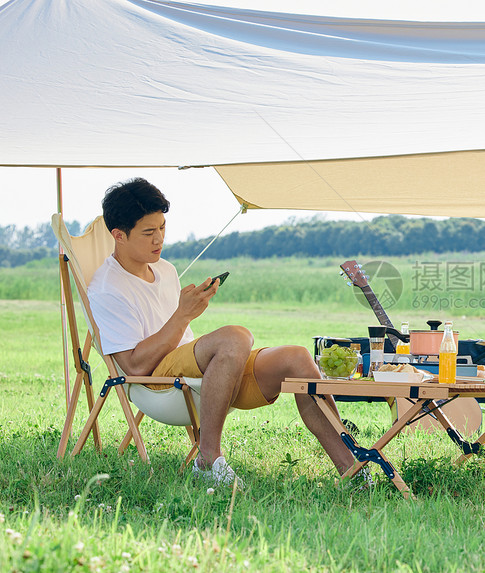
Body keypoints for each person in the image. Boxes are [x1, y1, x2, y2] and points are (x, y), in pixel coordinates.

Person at [88, 178, 356, 488]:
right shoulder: (108, 288)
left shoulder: (165, 269)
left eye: (162, 227)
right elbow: (134, 367)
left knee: (296, 357)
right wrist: (183, 314)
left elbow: (183, 338)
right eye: (148, 232)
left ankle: (353, 470)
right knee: (235, 336)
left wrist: (185, 314)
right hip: (158, 385)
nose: (158, 239)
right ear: (118, 235)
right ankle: (208, 458)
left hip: (198, 375)